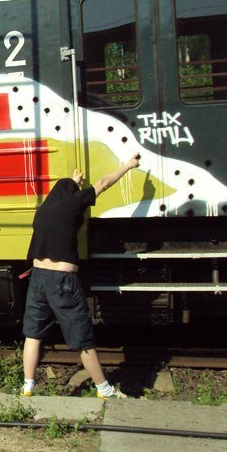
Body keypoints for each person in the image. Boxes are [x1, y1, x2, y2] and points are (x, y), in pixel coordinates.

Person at [21, 154, 140, 399]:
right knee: (83, 338)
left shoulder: (42, 212)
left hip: (38, 279)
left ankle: (27, 387)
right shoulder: (73, 203)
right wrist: (128, 166)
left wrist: (73, 181)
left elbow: (64, 194)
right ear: (72, 194)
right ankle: (104, 389)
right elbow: (104, 183)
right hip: (62, 282)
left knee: (33, 335)